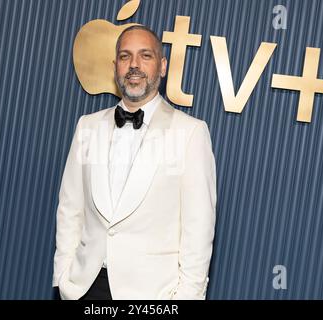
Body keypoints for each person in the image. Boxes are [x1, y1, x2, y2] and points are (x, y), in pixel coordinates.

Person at [52, 25, 216, 300]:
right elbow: (70, 209)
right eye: (125, 56)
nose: (134, 65)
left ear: (162, 67)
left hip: (151, 296)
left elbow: (197, 231)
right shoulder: (87, 127)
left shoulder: (190, 133)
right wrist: (62, 279)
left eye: (145, 56)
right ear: (115, 66)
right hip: (83, 288)